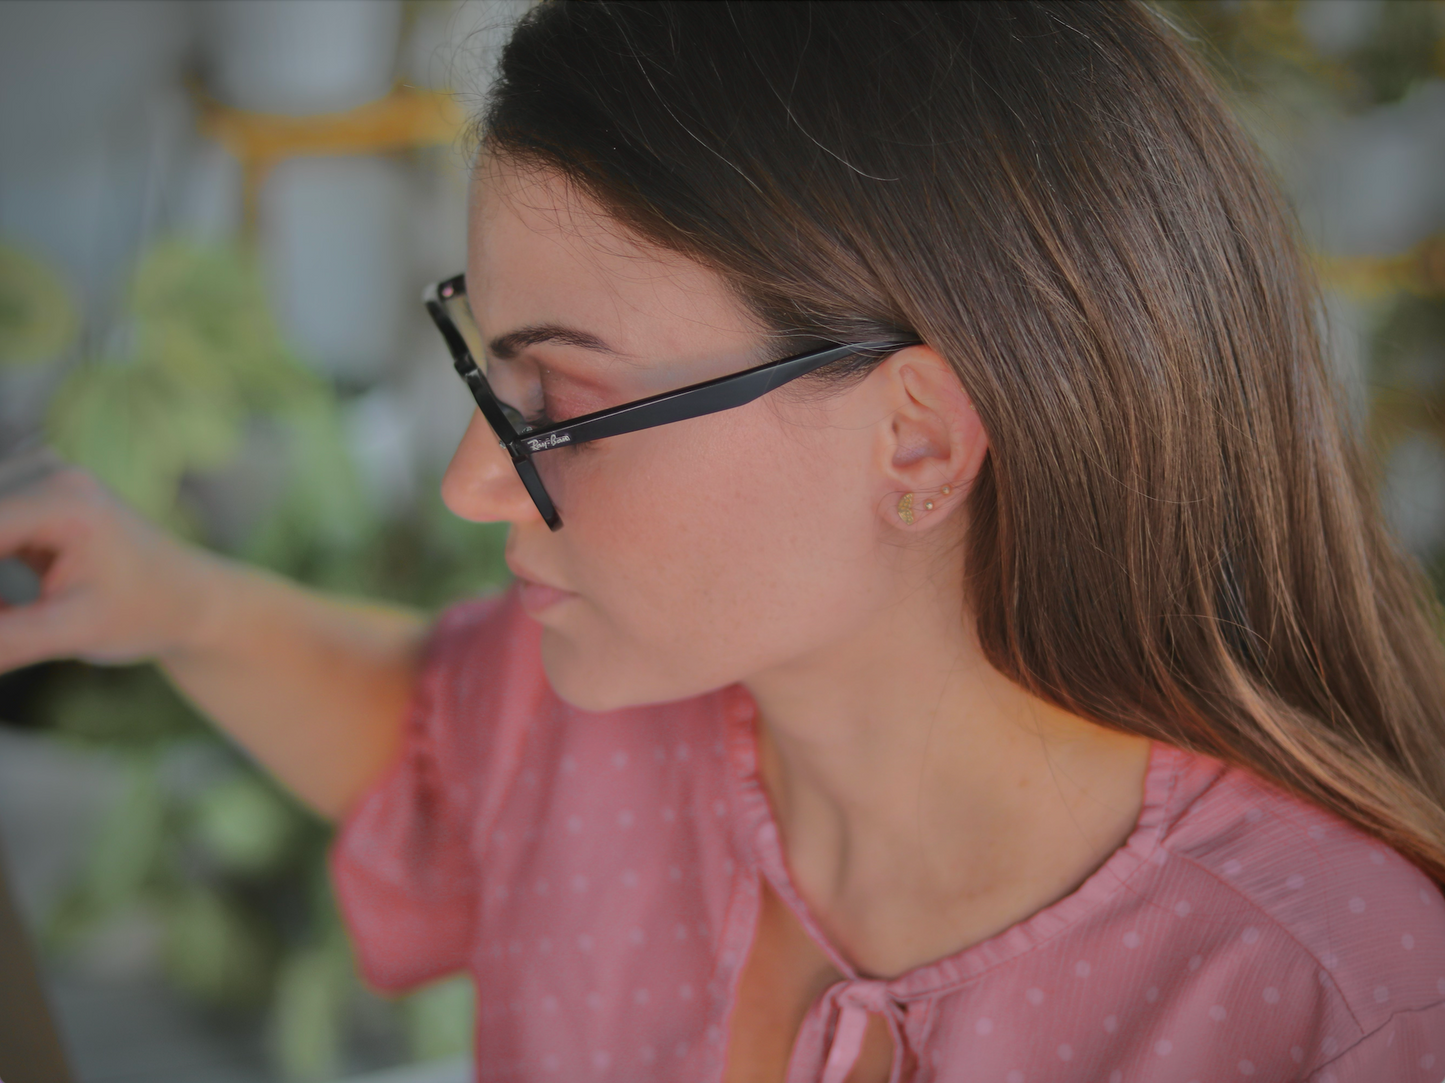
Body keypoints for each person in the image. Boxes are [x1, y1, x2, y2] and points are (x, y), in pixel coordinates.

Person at [2, 2, 1445, 1079]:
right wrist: (169, 601)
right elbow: (430, 743)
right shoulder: (598, 709)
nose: (468, 485)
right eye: (488, 376)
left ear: (917, 443)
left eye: (555, 394)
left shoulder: (1344, 1013)